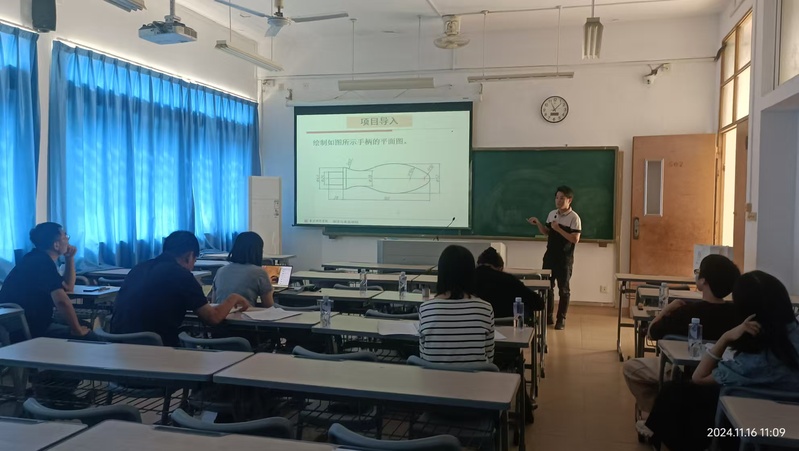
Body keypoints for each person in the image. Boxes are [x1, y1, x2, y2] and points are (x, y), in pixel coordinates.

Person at [644, 271, 799, 451]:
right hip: (789, 431)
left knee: (674, 393)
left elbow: (699, 377)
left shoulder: (749, 364)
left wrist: (725, 338)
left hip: (736, 433)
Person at [623, 254, 741, 432]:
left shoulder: (686, 312)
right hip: (722, 374)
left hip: (682, 372)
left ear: (704, 281)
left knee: (631, 368)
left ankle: (651, 416)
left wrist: (666, 310)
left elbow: (652, 333)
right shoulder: (737, 315)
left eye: (699, 272)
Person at [111, 231, 251, 346]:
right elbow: (212, 318)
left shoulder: (138, 268)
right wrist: (233, 298)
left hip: (117, 346)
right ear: (189, 256)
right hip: (154, 350)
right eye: (195, 260)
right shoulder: (181, 275)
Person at [0, 222, 95, 341]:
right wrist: (77, 330)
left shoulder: (34, 258)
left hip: (20, 323)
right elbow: (62, 301)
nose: (68, 240)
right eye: (65, 236)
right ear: (56, 245)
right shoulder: (43, 263)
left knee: (83, 325)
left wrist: (69, 258)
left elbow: (68, 287)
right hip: (29, 327)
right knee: (89, 335)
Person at [418, 245, 495, 364]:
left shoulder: (426, 309)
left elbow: (423, 355)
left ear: (442, 273)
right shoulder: (485, 309)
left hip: (433, 375)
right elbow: (489, 357)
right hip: (476, 376)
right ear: (471, 273)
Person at [527, 185, 581, 330]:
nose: (558, 201)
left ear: (569, 200)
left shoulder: (574, 218)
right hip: (549, 256)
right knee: (547, 287)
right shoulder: (552, 214)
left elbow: (575, 239)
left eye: (562, 198)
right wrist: (538, 223)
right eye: (557, 198)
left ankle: (561, 319)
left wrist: (558, 229)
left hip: (564, 259)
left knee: (564, 290)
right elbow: (547, 232)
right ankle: (548, 316)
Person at [472, 247, 544, 318]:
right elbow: (539, 304)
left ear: (478, 264)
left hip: (476, 321)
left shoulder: (468, 278)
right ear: (500, 268)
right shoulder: (509, 279)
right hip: (507, 322)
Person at [209, 232, 274, 307]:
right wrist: (270, 290)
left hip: (221, 313)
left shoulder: (221, 270)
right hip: (244, 313)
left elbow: (214, 302)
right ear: (258, 251)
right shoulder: (259, 272)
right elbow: (268, 305)